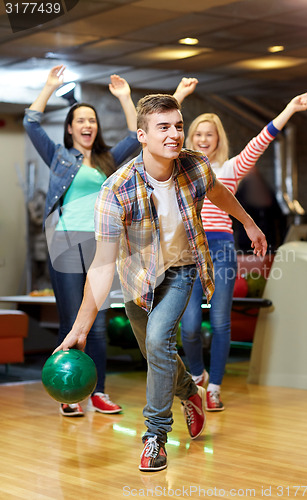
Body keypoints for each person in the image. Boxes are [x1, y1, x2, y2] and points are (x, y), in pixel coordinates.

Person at [54, 92, 267, 471]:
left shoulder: (194, 166)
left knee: (157, 341)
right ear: (142, 135)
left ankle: (155, 437)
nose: (174, 134)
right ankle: (190, 392)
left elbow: (218, 192)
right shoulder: (116, 190)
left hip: (183, 270)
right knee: (156, 353)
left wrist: (248, 222)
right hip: (137, 278)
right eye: (163, 127)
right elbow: (102, 266)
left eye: (178, 126)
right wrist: (80, 328)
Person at [174, 79, 307, 411]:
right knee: (189, 326)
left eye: (210, 134)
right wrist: (178, 97)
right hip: (188, 250)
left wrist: (290, 109)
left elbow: (262, 140)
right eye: (198, 134)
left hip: (221, 247)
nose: (203, 139)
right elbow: (159, 129)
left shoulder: (230, 168)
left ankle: (215, 387)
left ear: (218, 139)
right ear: (189, 139)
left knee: (220, 320)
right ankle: (198, 374)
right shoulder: (181, 169)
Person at [23, 65, 139, 417]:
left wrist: (125, 97)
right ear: (71, 127)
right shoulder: (58, 156)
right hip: (65, 243)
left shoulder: (107, 159)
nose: (88, 125)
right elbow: (30, 123)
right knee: (72, 319)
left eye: (92, 120)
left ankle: (98, 391)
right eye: (81, 120)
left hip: (100, 244)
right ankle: (69, 392)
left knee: (99, 322)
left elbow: (136, 136)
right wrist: (48, 86)